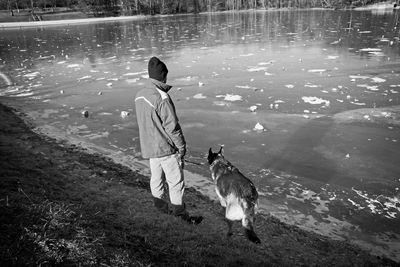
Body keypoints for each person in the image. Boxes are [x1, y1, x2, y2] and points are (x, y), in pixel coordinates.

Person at [134, 56, 203, 225]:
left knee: (156, 180)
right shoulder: (161, 97)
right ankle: (180, 215)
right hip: (165, 149)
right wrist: (181, 148)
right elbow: (172, 127)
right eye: (165, 75)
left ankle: (161, 210)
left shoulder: (139, 95)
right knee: (175, 182)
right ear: (162, 76)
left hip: (150, 148)